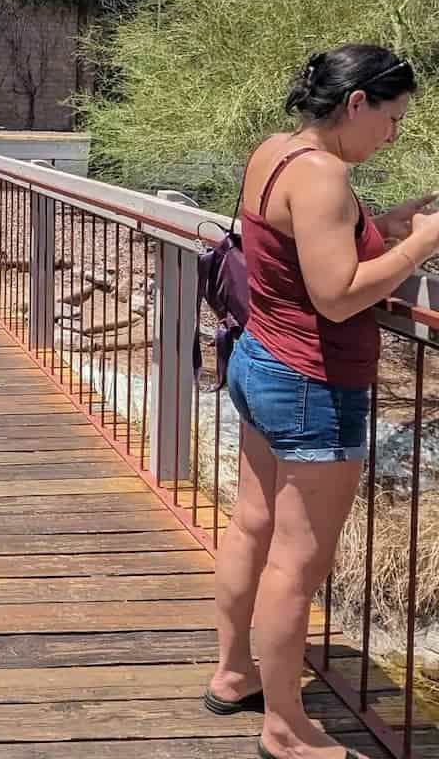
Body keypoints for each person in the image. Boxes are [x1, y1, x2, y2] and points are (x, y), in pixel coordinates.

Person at [206, 44, 439, 759]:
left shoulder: (274, 151)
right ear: (357, 104)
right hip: (311, 383)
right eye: (392, 119)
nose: (394, 135)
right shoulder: (326, 177)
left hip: (258, 361)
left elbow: (301, 249)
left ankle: (234, 672)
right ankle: (284, 727)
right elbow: (338, 296)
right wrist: (422, 246)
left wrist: (385, 224)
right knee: (299, 565)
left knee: (252, 527)